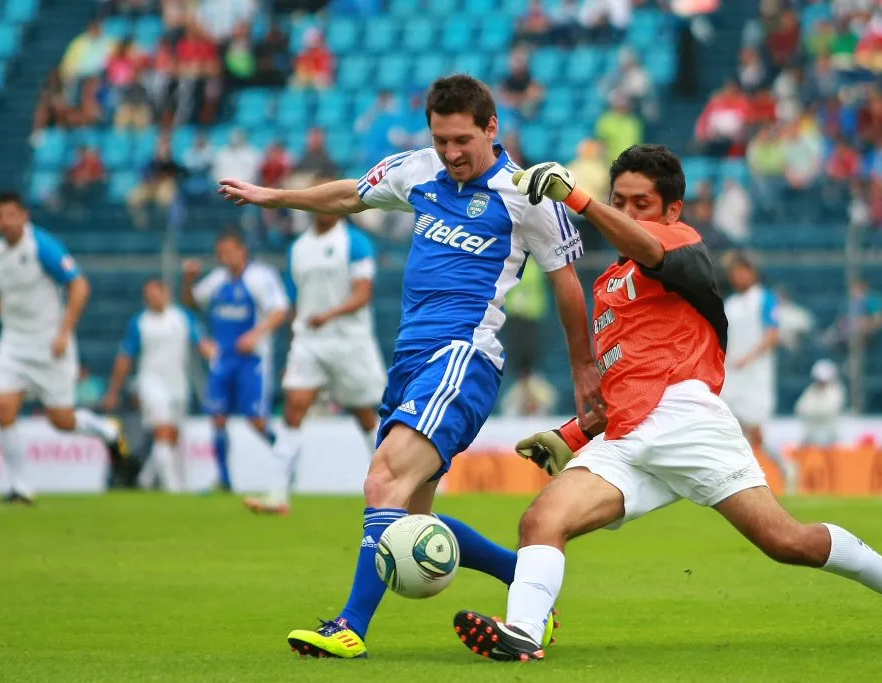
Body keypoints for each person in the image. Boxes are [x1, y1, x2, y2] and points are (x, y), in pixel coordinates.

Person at [450, 144, 882, 661]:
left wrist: (582, 201)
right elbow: (627, 383)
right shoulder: (609, 283)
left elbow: (651, 251)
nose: (628, 213)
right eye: (619, 201)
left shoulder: (681, 246)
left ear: (672, 211)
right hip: (628, 440)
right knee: (542, 520)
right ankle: (524, 631)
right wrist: (572, 435)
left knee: (787, 542)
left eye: (641, 204)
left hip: (689, 422)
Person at [218, 75, 602, 659]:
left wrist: (584, 370)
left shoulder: (526, 194)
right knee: (408, 522)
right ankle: (529, 588)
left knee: (381, 482)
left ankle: (349, 627)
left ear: (492, 128)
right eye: (441, 139)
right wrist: (273, 196)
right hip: (411, 362)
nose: (451, 154)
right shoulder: (417, 170)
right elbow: (351, 194)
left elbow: (567, 285)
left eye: (462, 141)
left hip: (463, 357)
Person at [0, 191, 129, 504]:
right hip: (13, 343)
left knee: (61, 420)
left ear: (24, 216)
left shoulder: (42, 245)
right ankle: (19, 486)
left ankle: (107, 430)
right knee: (3, 407)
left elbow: (79, 285)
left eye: (12, 215)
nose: (6, 222)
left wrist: (64, 332)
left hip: (50, 344)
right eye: (0, 216)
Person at [244, 176, 387, 515]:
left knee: (366, 416)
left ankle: (395, 485)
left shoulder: (356, 243)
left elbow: (363, 294)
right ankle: (277, 494)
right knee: (294, 408)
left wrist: (330, 314)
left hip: (349, 342)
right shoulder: (298, 248)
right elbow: (297, 303)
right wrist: (296, 341)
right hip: (309, 341)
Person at [181, 230, 290, 491]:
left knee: (255, 418)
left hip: (251, 361)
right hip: (223, 359)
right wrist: (188, 281)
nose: (225, 257)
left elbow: (280, 310)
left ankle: (288, 457)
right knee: (217, 417)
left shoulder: (261, 277)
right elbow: (193, 303)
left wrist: (256, 334)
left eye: (229, 251)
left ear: (243, 251)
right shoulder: (218, 279)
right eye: (221, 253)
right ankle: (224, 479)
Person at [104, 279, 215, 492]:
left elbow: (202, 344)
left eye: (155, 294)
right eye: (148, 295)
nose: (152, 299)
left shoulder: (182, 318)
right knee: (163, 432)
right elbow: (125, 358)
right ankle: (174, 489)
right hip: (150, 383)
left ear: (166, 293)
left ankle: (144, 481)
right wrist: (114, 390)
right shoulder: (140, 323)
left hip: (178, 384)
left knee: (171, 437)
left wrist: (215, 357)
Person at [721, 253, 799, 494]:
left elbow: (772, 335)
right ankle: (741, 481)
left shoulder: (765, 299)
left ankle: (786, 465)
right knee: (726, 425)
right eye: (735, 272)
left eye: (742, 271)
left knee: (757, 431)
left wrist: (749, 357)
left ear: (752, 273)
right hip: (730, 375)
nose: (738, 276)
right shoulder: (730, 304)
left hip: (755, 377)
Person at [794, 359, 846, 447]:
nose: (821, 382)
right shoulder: (811, 390)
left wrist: (813, 412)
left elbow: (829, 410)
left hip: (830, 438)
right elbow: (800, 408)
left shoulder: (836, 391)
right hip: (811, 437)